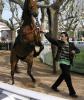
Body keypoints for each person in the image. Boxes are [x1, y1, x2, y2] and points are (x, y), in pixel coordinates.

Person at [44, 32, 80, 97]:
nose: (61, 37)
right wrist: (45, 34)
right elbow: (52, 40)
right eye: (61, 36)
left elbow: (78, 50)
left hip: (68, 63)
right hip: (62, 63)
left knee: (63, 76)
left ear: (66, 37)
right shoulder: (59, 42)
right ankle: (72, 92)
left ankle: (54, 86)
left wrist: (75, 51)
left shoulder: (71, 44)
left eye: (62, 36)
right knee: (68, 77)